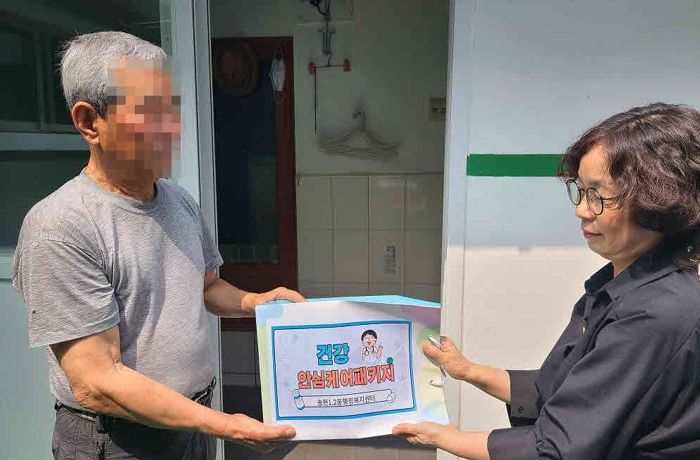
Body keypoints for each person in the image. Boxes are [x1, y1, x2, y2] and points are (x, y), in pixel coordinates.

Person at [11, 31, 304, 460]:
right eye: (150, 111)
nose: (172, 127)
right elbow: (97, 383)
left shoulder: (178, 200)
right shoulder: (60, 227)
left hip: (190, 427)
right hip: (118, 442)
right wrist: (225, 425)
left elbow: (206, 287)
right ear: (89, 122)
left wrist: (257, 303)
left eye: (171, 107)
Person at [393, 102, 700, 459]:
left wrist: (445, 438)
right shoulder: (613, 289)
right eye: (580, 191)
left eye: (598, 196)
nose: (581, 210)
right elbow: (557, 391)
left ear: (659, 200)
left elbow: (556, 449)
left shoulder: (655, 313)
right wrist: (466, 370)